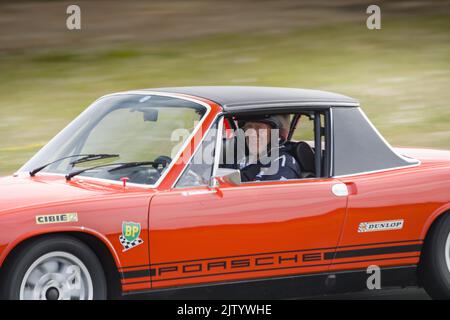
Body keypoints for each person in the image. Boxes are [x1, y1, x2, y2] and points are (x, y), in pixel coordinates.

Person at [237, 115, 301, 182]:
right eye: (249, 127)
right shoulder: (242, 159)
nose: (252, 134)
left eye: (260, 129)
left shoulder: (284, 166)